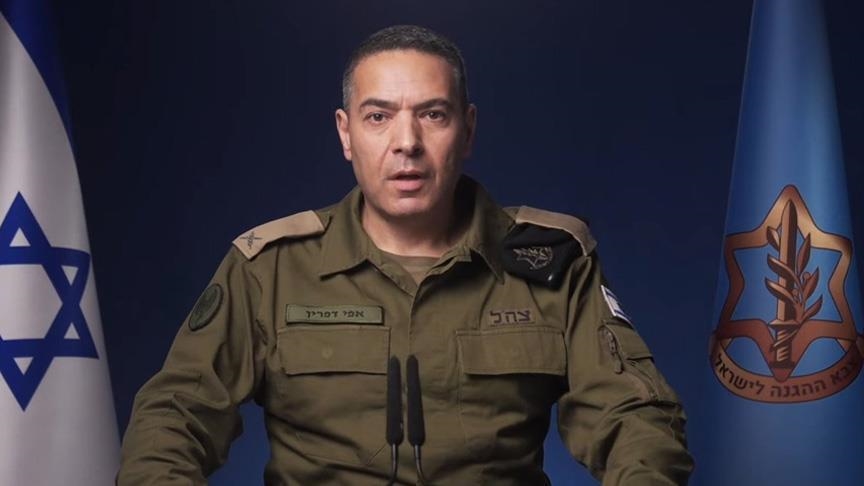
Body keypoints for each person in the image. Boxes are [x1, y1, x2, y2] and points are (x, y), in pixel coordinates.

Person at [118, 25, 693, 485]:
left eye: (433, 114)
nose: (407, 143)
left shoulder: (551, 261)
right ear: (346, 134)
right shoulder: (269, 268)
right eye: (379, 116)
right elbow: (175, 415)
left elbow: (634, 418)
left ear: (467, 130)